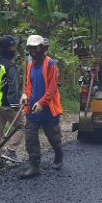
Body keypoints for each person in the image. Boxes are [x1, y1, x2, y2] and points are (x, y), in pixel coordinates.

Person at [20, 34, 64, 179]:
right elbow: (28, 85)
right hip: (32, 109)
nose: (33, 51)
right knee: (30, 137)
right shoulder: (30, 64)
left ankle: (58, 154)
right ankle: (34, 166)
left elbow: (51, 89)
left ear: (42, 48)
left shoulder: (51, 64)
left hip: (48, 110)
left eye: (35, 48)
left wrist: (41, 103)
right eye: (30, 48)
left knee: (53, 137)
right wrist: (25, 95)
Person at [0, 35, 23, 169]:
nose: (15, 49)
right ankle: (11, 151)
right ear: (8, 48)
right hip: (6, 102)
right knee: (22, 125)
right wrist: (14, 105)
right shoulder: (10, 66)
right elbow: (13, 87)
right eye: (13, 47)